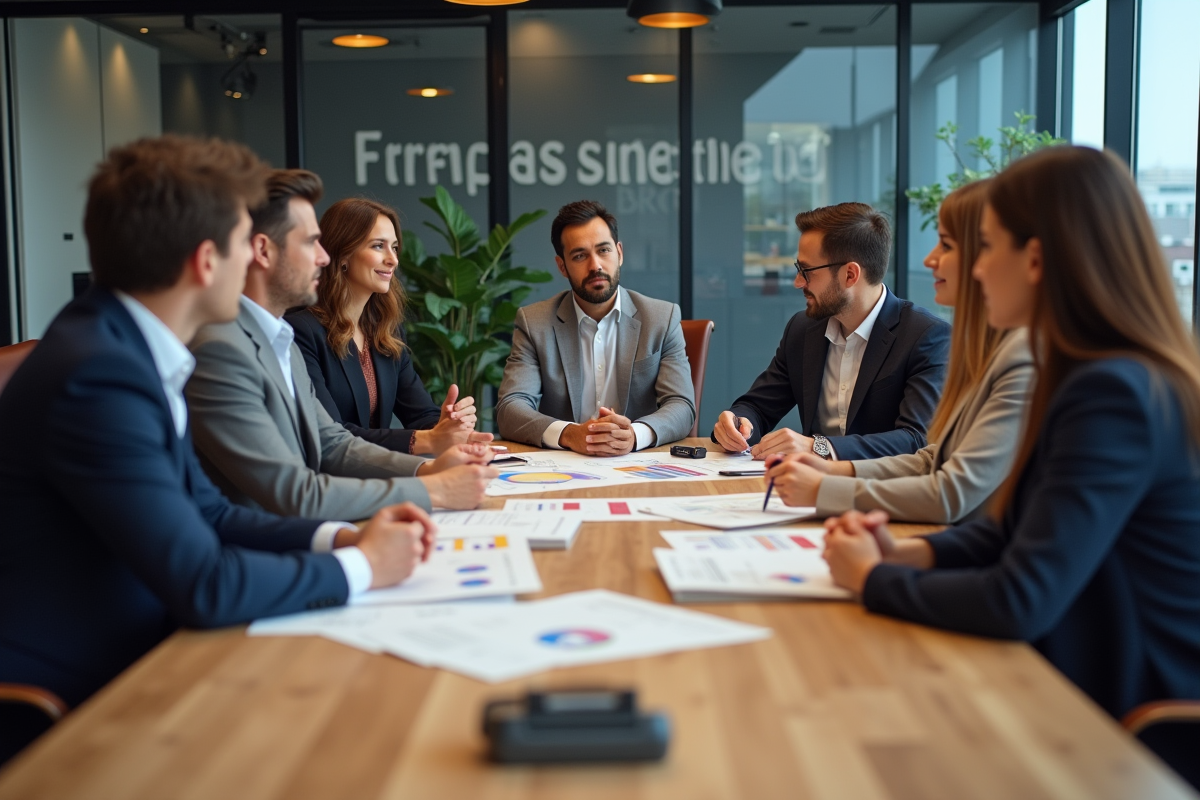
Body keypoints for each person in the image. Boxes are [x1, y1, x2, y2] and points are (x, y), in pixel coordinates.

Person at [0, 136, 437, 708]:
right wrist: (363, 565)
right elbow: (204, 584)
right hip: (87, 688)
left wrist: (341, 537)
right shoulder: (100, 376)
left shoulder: (127, 347)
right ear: (206, 262)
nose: (255, 259)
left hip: (156, 643)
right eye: (242, 244)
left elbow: (208, 512)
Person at [821, 147, 1200, 780]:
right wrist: (909, 554)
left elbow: (1022, 597)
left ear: (1036, 259)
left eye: (986, 246)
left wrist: (870, 580)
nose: (973, 269)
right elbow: (1015, 529)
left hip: (1131, 721)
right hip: (1080, 680)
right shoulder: (1088, 371)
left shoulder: (1115, 392)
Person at [187, 169, 496, 520]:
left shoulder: (280, 340)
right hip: (268, 543)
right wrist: (433, 486)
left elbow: (333, 443)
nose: (322, 257)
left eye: (394, 247)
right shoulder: (228, 347)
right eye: (310, 242)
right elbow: (296, 491)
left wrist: (429, 467)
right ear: (261, 250)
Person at [765, 181, 1033, 523]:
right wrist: (832, 470)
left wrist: (824, 486)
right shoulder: (992, 350)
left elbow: (947, 487)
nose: (929, 258)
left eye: (947, 244)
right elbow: (932, 461)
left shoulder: (1015, 356)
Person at [712, 202, 950, 462]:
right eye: (797, 269)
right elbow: (758, 407)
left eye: (807, 271)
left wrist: (818, 447)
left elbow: (916, 439)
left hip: (880, 494)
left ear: (850, 275)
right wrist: (737, 423)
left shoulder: (926, 336)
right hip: (803, 490)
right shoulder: (802, 330)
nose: (798, 282)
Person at [286, 197, 493, 456]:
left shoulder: (386, 332)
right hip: (334, 481)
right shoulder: (302, 331)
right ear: (343, 254)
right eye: (378, 246)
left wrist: (449, 427)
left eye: (394, 248)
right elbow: (331, 434)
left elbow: (420, 415)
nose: (393, 259)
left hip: (380, 472)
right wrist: (428, 440)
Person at [496, 199, 695, 455]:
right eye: (580, 256)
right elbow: (510, 408)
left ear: (619, 253)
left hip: (639, 464)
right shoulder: (534, 323)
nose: (595, 266)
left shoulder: (661, 318)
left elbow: (681, 405)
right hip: (564, 466)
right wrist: (569, 434)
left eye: (603, 251)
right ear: (562, 266)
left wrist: (634, 434)